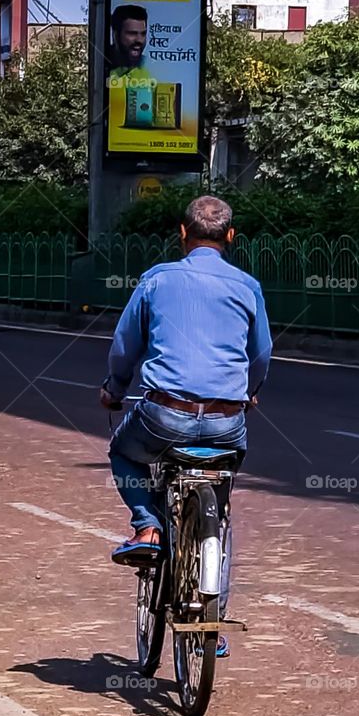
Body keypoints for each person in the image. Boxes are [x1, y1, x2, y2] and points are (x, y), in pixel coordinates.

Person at [102, 195, 272, 655]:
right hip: (226, 423)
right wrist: (249, 392)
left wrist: (114, 389)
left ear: (183, 233)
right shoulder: (247, 286)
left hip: (163, 415)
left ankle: (146, 527)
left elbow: (125, 346)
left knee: (124, 452)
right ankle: (211, 626)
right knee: (220, 507)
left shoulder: (157, 280)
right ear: (230, 238)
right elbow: (260, 357)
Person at [109, 4, 150, 75]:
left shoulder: (148, 65)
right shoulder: (102, 62)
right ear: (116, 34)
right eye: (132, 33)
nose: (139, 40)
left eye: (143, 34)